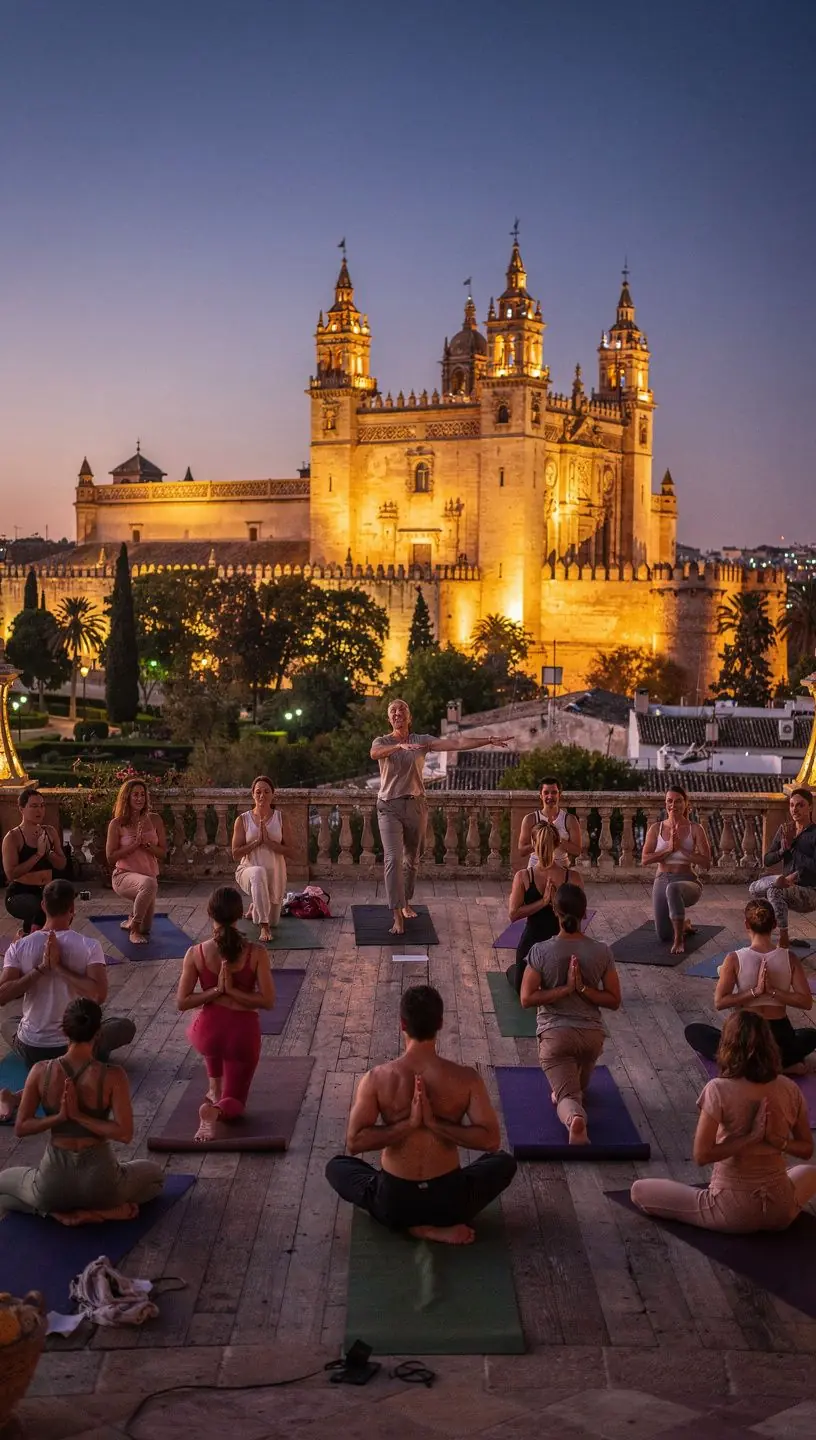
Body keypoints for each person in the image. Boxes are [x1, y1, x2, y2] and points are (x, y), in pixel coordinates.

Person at [325, 984, 516, 1244]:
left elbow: (354, 1142)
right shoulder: (466, 1078)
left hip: (395, 1203)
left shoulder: (377, 1078)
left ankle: (413, 1228)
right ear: (440, 1023)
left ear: (402, 1024)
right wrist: (427, 1123)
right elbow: (491, 1142)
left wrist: (413, 1124)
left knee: (338, 1167)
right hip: (450, 1203)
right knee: (504, 1162)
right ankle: (433, 1227)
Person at [631, 1011, 816, 1232]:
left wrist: (749, 1139)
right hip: (780, 1210)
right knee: (809, 1171)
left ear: (727, 1045)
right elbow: (806, 1149)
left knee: (639, 1190)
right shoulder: (788, 1087)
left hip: (730, 1210)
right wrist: (778, 1143)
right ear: (770, 1044)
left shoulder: (718, 1089)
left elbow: (702, 1155)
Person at [0, 997, 163, 1224]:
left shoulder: (40, 1071)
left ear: (63, 1031)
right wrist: (79, 1117)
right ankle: (103, 1213)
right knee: (157, 1178)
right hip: (103, 1183)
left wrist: (60, 1117)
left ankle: (55, 1214)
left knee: (4, 1191)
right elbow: (124, 1134)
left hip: (53, 1183)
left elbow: (22, 1127)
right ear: (98, 1033)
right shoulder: (113, 1076)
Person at [0, 880, 136, 1122]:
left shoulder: (20, 946)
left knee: (10, 1024)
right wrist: (49, 968)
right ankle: (62, 1079)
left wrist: (47, 969)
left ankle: (28, 1091)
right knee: (124, 1026)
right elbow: (98, 995)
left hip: (34, 1045)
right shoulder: (89, 946)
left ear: (43, 905)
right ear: (72, 908)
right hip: (75, 1046)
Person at [371, 698, 509, 935]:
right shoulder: (382, 741)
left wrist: (487, 740)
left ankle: (406, 902)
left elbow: (455, 742)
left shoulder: (422, 741)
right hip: (388, 806)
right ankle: (397, 915)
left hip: (415, 806)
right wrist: (398, 747)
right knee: (393, 860)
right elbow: (375, 753)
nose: (397, 713)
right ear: (388, 718)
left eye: (402, 709)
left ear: (409, 716)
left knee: (412, 860)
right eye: (392, 711)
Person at [520, 883, 622, 1145]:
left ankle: (575, 1121)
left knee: (570, 1100)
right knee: (576, 1089)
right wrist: (582, 989)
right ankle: (568, 1093)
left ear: (555, 911)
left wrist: (566, 989)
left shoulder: (541, 951)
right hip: (591, 1039)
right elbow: (613, 1000)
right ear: (584, 913)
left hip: (557, 1038)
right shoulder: (602, 950)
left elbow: (526, 998)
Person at [177, 885, 275, 1143]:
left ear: (210, 914)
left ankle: (213, 1086)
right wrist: (231, 990)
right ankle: (217, 1110)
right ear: (241, 914)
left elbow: (183, 1002)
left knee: (209, 1030)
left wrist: (215, 992)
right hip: (241, 1035)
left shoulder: (195, 953)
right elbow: (267, 1001)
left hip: (207, 1033)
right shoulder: (256, 953)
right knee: (236, 1102)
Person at [685, 899, 816, 1074]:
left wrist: (755, 992)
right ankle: (778, 1066)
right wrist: (772, 992)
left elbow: (720, 1001)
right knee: (810, 1035)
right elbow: (806, 1002)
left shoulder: (733, 959)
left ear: (746, 924)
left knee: (694, 1031)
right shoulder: (789, 958)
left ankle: (743, 1066)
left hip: (744, 1036)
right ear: (775, 924)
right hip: (779, 1039)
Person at [504, 821, 584, 993]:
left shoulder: (524, 876)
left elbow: (513, 914)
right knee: (526, 986)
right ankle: (515, 971)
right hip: (535, 944)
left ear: (533, 844)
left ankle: (517, 971)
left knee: (529, 989)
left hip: (559, 947)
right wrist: (543, 902)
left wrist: (553, 902)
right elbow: (580, 917)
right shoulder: (572, 877)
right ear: (558, 844)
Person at [641, 785, 712, 953]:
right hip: (662, 879)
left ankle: (679, 940)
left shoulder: (695, 829)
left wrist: (682, 849)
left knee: (673, 889)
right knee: (663, 935)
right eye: (669, 801)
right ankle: (684, 924)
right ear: (665, 804)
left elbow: (706, 862)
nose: (674, 805)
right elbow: (644, 859)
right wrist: (669, 849)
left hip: (687, 881)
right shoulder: (655, 829)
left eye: (679, 801)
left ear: (686, 803)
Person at [749, 788, 816, 950]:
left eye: (800, 805)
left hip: (810, 891)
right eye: (792, 805)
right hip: (787, 886)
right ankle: (779, 880)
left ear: (811, 808)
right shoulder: (785, 830)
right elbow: (767, 860)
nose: (795, 809)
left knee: (773, 890)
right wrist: (782, 851)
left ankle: (784, 939)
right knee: (755, 891)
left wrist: (792, 848)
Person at [105, 778, 167, 945]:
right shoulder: (117, 824)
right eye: (135, 795)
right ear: (127, 798)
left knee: (147, 928)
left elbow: (163, 853)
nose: (140, 798)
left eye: (142, 795)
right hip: (123, 876)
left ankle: (133, 919)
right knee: (149, 884)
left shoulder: (155, 819)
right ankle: (134, 931)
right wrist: (133, 845)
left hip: (148, 878)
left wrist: (147, 846)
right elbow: (110, 857)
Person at [232, 776, 290, 943]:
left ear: (273, 795)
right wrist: (257, 842)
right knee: (258, 872)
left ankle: (255, 908)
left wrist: (269, 842)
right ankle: (264, 927)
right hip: (247, 872)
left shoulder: (281, 818)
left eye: (266, 792)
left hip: (275, 876)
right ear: (253, 795)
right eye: (258, 792)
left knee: (275, 921)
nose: (262, 796)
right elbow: (235, 854)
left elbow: (293, 852)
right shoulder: (242, 820)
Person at [2, 785, 67, 936]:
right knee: (42, 908)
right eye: (34, 806)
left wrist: (47, 852)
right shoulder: (13, 838)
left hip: (46, 890)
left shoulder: (49, 832)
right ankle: (28, 936)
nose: (39, 810)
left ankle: (30, 934)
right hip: (20, 893)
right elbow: (11, 874)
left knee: (61, 909)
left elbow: (62, 864)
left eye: (42, 806)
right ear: (22, 809)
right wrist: (38, 854)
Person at [517, 777, 581, 867]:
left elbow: (577, 851)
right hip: (536, 867)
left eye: (554, 792)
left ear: (559, 794)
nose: (550, 796)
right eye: (546, 793)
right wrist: (542, 841)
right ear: (541, 795)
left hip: (561, 868)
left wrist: (558, 841)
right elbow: (522, 851)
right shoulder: (530, 819)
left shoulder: (570, 820)